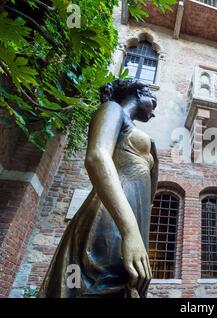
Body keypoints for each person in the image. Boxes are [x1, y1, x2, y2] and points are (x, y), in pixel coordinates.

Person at [39, 80, 159, 298]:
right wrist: (129, 231)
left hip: (133, 221)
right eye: (154, 102)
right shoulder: (113, 110)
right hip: (110, 221)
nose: (154, 113)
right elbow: (97, 157)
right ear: (140, 94)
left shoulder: (142, 134)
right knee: (97, 283)